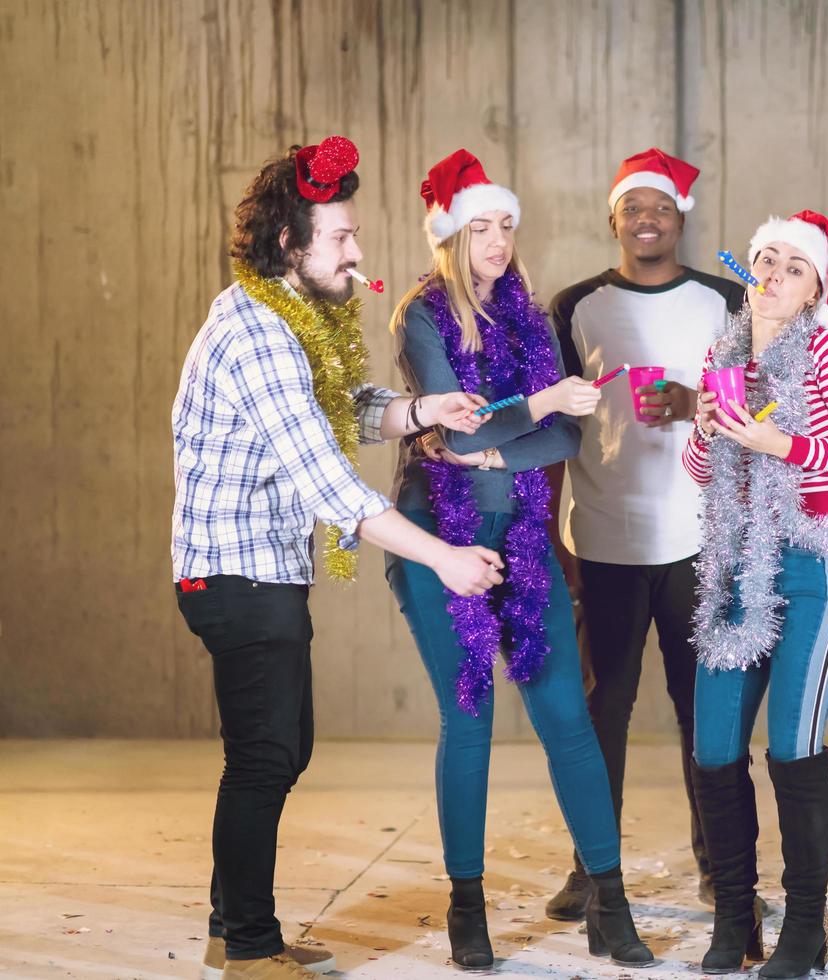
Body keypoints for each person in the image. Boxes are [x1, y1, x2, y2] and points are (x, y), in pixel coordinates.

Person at [173, 136, 504, 980]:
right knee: (265, 755)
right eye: (341, 238)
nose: (358, 251)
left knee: (280, 748)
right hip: (234, 572)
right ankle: (248, 948)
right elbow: (332, 488)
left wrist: (426, 408)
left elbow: (342, 408)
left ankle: (232, 925)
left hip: (261, 569)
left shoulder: (290, 320)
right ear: (290, 242)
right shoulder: (260, 335)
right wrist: (445, 558)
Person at [384, 149, 654, 971]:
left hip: (525, 540)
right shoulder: (422, 316)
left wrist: (503, 454)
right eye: (481, 226)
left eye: (507, 225)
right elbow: (460, 425)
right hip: (441, 536)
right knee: (466, 720)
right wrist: (526, 413)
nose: (497, 241)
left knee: (567, 720)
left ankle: (610, 904)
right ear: (451, 233)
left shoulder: (532, 321)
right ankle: (468, 910)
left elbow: (567, 436)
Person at [542, 147, 743, 919]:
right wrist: (556, 536)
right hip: (606, 537)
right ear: (614, 220)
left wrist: (695, 402)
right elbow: (557, 429)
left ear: (680, 217)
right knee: (601, 710)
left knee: (704, 711)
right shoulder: (576, 305)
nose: (647, 219)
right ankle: (592, 867)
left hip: (701, 537)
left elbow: (756, 411)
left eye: (661, 206)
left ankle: (716, 865)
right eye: (634, 208)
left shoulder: (727, 301)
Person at [683, 210, 828, 979]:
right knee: (713, 749)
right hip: (735, 565)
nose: (771, 275)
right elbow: (703, 476)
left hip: (812, 562)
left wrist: (780, 444)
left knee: (793, 748)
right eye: (765, 260)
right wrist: (705, 429)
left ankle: (806, 928)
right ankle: (736, 917)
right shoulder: (723, 352)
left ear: (812, 292)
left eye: (793, 268)